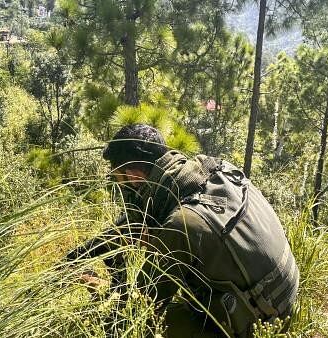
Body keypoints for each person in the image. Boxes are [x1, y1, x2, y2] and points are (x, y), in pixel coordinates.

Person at [70, 124, 299, 337]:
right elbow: (132, 223)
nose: (118, 185)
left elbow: (138, 310)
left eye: (117, 178)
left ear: (134, 176)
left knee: (156, 322)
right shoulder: (215, 171)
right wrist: (76, 258)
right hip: (284, 295)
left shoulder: (181, 225)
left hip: (263, 323)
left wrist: (102, 293)